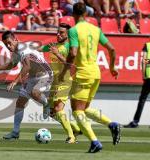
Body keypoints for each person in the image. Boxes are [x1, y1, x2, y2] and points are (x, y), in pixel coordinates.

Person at [59, 2, 121, 153]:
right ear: (86, 14)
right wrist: (112, 68)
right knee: (85, 108)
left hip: (82, 74)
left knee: (76, 110)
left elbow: (73, 53)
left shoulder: (73, 31)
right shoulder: (96, 29)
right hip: (96, 74)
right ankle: (112, 124)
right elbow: (112, 49)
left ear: (73, 14)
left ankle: (95, 142)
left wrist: (64, 72)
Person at [0, 31, 53, 140]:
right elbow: (12, 64)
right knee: (20, 102)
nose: (8, 46)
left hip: (45, 74)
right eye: (5, 44)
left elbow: (27, 66)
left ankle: (46, 104)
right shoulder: (16, 51)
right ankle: (15, 132)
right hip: (32, 77)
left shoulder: (23, 47)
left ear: (15, 39)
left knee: (34, 92)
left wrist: (14, 81)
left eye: (9, 43)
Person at [38, 23, 82, 143]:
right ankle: (76, 128)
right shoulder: (53, 46)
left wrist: (57, 54)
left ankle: (71, 136)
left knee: (58, 108)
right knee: (52, 112)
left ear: (68, 34)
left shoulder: (70, 47)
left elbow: (71, 66)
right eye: (57, 32)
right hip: (54, 81)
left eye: (61, 32)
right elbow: (38, 49)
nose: (58, 34)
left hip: (65, 80)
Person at [124, 42, 150, 128]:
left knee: (142, 100)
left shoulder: (147, 45)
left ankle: (135, 121)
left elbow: (144, 60)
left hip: (148, 77)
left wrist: (143, 75)